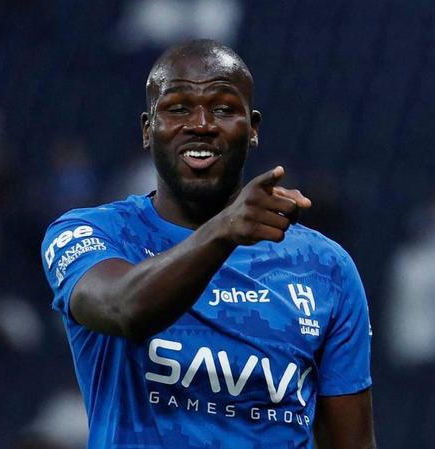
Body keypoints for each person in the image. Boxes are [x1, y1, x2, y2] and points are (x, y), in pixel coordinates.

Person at [41, 39, 375, 449]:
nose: (200, 124)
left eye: (223, 109)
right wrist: (224, 230)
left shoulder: (325, 267)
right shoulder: (90, 234)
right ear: (147, 130)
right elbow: (122, 309)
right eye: (178, 108)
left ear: (253, 129)